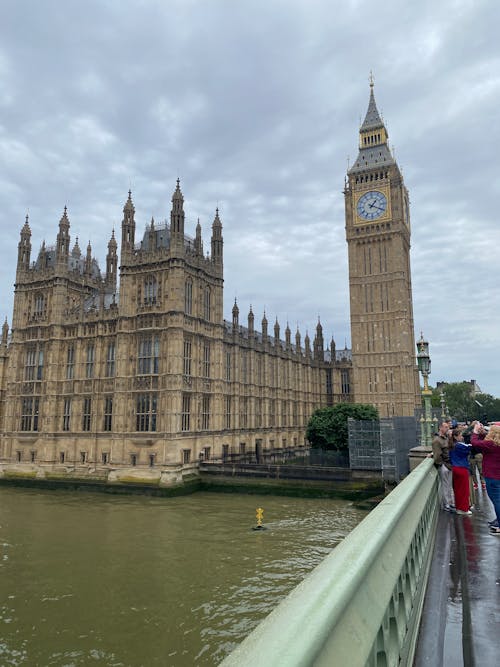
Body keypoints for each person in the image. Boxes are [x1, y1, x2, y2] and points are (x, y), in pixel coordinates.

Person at [471, 422, 500, 535]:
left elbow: (475, 443)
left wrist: (475, 431)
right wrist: (482, 434)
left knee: (496, 500)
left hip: (492, 476)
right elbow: (483, 443)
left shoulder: (491, 444)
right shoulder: (494, 444)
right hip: (497, 476)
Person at [432, 421, 455, 512]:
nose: (447, 429)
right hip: (444, 465)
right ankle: (447, 504)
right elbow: (437, 455)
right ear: (440, 428)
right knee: (446, 486)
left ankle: (450, 503)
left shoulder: (445, 438)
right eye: (445, 427)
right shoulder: (437, 440)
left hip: (449, 465)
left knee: (448, 485)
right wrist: (441, 465)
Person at [448, 427, 472, 515]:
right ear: (455, 436)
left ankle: (459, 508)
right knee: (464, 490)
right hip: (462, 468)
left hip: (455, 468)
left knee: (457, 490)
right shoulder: (459, 445)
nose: (462, 437)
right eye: (460, 435)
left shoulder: (452, 445)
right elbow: (470, 446)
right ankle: (464, 509)